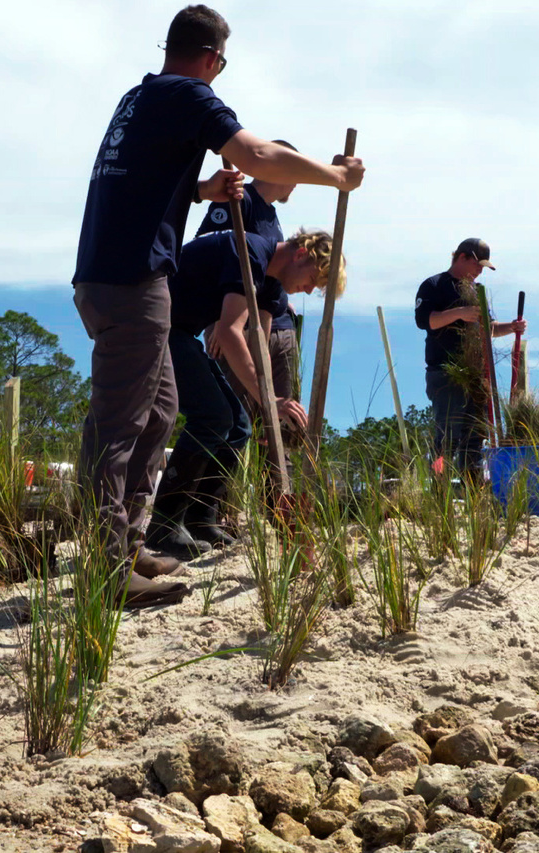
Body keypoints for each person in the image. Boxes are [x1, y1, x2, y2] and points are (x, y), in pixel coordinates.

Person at [71, 4, 365, 606]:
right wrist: (336, 178)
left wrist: (204, 188)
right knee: (121, 422)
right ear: (213, 59)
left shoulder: (140, 98)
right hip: (133, 279)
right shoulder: (188, 95)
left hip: (115, 274)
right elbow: (258, 156)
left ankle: (126, 546)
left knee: (159, 411)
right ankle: (103, 570)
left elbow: (148, 183)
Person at [151, 228, 342, 558]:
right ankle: (163, 526)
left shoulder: (273, 288)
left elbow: (259, 348)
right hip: (154, 324)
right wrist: (270, 399)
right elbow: (228, 332)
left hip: (181, 332)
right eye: (313, 279)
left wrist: (266, 409)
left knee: (239, 425)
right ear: (301, 254)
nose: (310, 290)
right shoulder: (249, 250)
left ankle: (200, 517)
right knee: (212, 417)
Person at [195, 141, 303, 419]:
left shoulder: (273, 217)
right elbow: (210, 252)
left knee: (268, 414)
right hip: (232, 321)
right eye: (296, 172)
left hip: (261, 323)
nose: (297, 184)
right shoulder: (240, 200)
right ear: (277, 170)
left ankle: (262, 464)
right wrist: (218, 320)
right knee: (233, 411)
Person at [413, 238, 526, 481]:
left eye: (483, 268)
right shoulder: (434, 285)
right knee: (446, 437)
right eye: (477, 265)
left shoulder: (476, 291)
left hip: (476, 376)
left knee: (475, 436)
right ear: (462, 257)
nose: (480, 271)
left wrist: (512, 327)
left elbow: (488, 329)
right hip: (445, 373)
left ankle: (473, 490)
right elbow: (426, 321)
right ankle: (438, 487)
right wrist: (460, 314)